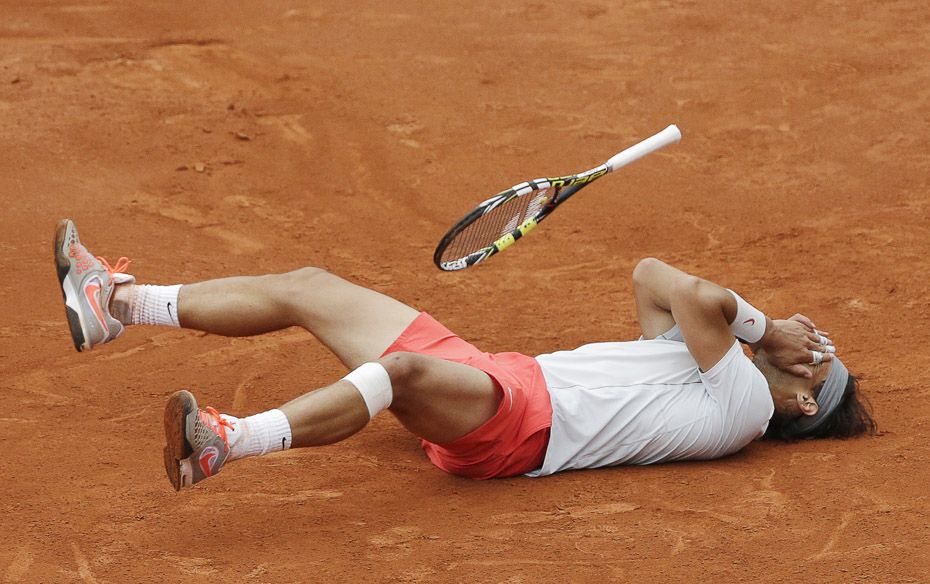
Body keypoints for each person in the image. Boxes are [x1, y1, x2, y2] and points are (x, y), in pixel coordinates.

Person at [54, 219, 876, 490]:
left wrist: (766, 333)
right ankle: (117, 305)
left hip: (516, 429)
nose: (808, 352)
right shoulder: (699, 368)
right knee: (308, 285)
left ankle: (225, 442)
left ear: (800, 404)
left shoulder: (738, 407)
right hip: (498, 375)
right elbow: (654, 274)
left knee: (402, 374)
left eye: (816, 367)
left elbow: (703, 298)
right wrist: (758, 334)